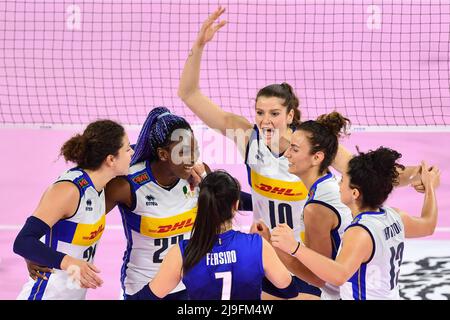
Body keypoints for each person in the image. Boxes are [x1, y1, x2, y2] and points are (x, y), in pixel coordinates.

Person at [178, 6, 425, 299]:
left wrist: (417, 176)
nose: (265, 120)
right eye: (259, 112)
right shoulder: (248, 137)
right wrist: (198, 45)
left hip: (306, 260)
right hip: (264, 254)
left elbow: (369, 171)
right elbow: (189, 94)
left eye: (274, 113)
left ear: (291, 114)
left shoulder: (311, 147)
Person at [271, 148, 440, 300]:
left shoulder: (360, 232)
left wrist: (294, 247)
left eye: (343, 180)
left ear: (354, 193)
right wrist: (430, 187)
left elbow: (338, 275)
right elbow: (428, 225)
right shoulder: (395, 216)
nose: (338, 184)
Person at [128, 170, 297, 300]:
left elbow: (148, 296)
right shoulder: (257, 246)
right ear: (236, 205)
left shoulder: (183, 252)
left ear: (201, 206)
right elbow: (288, 290)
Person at [13, 120, 133, 299]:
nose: (132, 152)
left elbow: (148, 149)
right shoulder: (70, 191)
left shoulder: (101, 185)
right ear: (110, 159)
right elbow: (22, 242)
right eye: (127, 149)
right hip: (46, 295)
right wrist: (68, 262)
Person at [254, 112, 354, 299]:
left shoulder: (317, 208)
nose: (287, 154)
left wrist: (271, 244)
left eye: (295, 149)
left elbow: (319, 277)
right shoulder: (328, 186)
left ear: (317, 158)